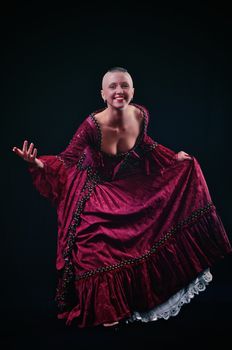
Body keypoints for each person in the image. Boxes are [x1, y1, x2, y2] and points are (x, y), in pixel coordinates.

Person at [12, 67, 231, 329]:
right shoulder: (92, 125)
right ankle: (107, 309)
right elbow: (67, 159)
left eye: (124, 86)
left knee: (146, 223)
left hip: (123, 183)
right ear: (103, 94)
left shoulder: (141, 114)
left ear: (133, 91)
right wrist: (38, 164)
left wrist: (174, 158)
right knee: (95, 239)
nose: (119, 91)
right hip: (90, 186)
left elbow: (146, 144)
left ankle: (136, 297)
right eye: (113, 87)